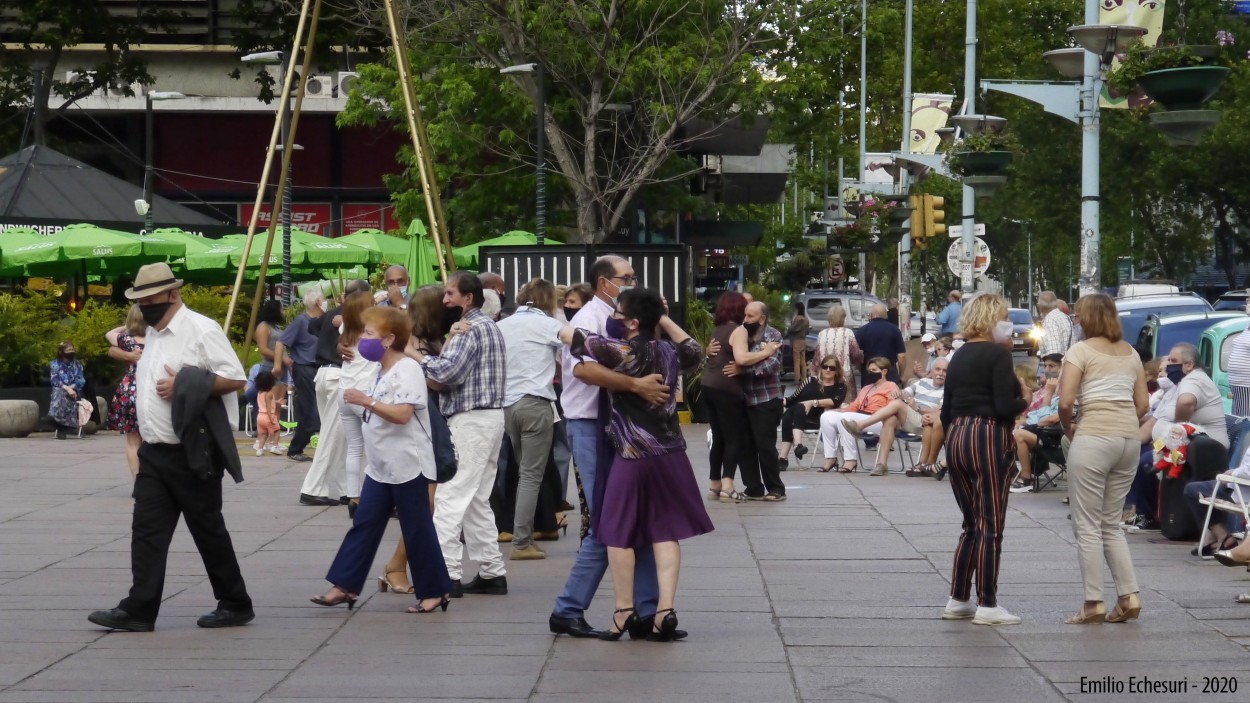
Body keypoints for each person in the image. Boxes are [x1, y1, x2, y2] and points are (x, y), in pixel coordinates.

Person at [89, 262, 253, 632]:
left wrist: (186, 382)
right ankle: (139, 608)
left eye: (151, 299)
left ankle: (235, 602)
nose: (145, 306)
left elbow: (236, 378)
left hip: (193, 450)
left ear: (173, 294)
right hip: (154, 450)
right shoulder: (154, 334)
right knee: (146, 530)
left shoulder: (201, 329)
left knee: (207, 528)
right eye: (141, 300)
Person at [556, 287, 712, 640]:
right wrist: (663, 316)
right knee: (664, 531)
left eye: (619, 314)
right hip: (671, 453)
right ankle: (664, 612)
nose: (614, 318)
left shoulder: (622, 352)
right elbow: (694, 348)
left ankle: (623, 610)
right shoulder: (673, 353)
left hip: (632, 454)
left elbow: (568, 334)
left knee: (615, 530)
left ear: (633, 323)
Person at [550, 255, 671, 640]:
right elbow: (583, 370)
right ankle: (570, 607)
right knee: (609, 521)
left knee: (639, 519)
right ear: (605, 282)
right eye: (627, 278)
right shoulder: (589, 318)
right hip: (592, 424)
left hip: (619, 427)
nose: (632, 282)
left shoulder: (614, 318)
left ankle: (646, 611)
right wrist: (635, 385)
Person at [311, 306, 453, 615]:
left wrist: (366, 401)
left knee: (417, 528)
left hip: (409, 465)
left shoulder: (407, 370)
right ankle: (344, 585)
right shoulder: (380, 370)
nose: (363, 339)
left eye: (369, 333)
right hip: (380, 466)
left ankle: (435, 591)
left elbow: (403, 414)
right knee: (364, 524)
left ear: (388, 339)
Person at [411, 271, 509, 597]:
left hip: (471, 420)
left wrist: (415, 355)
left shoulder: (470, 329)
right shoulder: (488, 326)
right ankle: (492, 571)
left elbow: (446, 373)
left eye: (450, 293)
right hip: (490, 419)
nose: (445, 300)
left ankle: (447, 574)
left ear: (468, 298)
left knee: (450, 497)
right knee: (477, 499)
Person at [1059, 293, 1149, 625]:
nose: (1078, 322)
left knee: (1086, 526)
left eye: (1079, 316)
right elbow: (1143, 405)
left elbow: (1066, 401)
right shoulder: (1131, 354)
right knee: (1111, 524)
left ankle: (1093, 603)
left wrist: (1070, 428)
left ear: (1089, 319)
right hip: (1128, 440)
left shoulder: (1080, 352)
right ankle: (1129, 596)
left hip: (1094, 437)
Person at [939, 293, 1026, 626]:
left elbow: (947, 409)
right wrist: (1025, 401)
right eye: (1004, 316)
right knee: (991, 524)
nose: (1009, 323)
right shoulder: (997, 355)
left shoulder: (959, 355)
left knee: (970, 525)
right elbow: (1005, 406)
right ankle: (987, 602)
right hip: (987, 435)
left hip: (957, 435)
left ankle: (958, 598)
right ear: (992, 319)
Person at [497, 278, 565, 560]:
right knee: (531, 476)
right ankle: (522, 541)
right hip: (536, 403)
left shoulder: (501, 325)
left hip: (507, 407)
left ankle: (521, 535)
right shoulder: (549, 325)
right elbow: (577, 344)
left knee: (523, 471)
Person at [296, 281, 373, 507]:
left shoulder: (338, 316)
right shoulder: (364, 319)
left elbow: (313, 325)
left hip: (323, 375)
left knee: (344, 439)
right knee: (333, 434)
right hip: (341, 378)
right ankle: (313, 487)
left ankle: (345, 489)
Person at [843, 358, 948, 476]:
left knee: (897, 404)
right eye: (938, 369)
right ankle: (882, 464)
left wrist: (917, 408)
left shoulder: (948, 388)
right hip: (910, 418)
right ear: (931, 371)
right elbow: (905, 392)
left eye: (945, 371)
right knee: (891, 419)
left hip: (926, 420)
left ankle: (861, 425)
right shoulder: (923, 382)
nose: (941, 373)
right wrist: (899, 393)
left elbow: (939, 411)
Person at [701, 291, 752, 502]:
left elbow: (714, 355)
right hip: (726, 387)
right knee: (733, 437)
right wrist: (766, 352)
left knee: (718, 436)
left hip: (708, 384)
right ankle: (728, 485)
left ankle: (715, 483)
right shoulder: (739, 330)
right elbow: (741, 358)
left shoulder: (718, 329)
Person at [734, 301, 786, 500]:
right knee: (744, 445)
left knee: (765, 446)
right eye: (745, 315)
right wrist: (759, 355)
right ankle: (753, 487)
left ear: (762, 318)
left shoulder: (774, 336)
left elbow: (770, 366)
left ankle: (776, 488)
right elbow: (729, 358)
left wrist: (743, 367)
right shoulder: (741, 335)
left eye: (751, 316)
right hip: (743, 399)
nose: (745, 320)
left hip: (766, 399)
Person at [336, 289, 379, 517]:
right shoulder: (373, 332)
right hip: (363, 393)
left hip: (344, 391)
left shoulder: (346, 329)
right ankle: (376, 496)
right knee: (376, 446)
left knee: (354, 447)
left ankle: (354, 497)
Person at [818, 357, 900, 474]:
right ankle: (830, 457)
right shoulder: (867, 388)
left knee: (845, 418)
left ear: (884, 371)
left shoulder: (891, 386)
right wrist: (836, 410)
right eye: (869, 370)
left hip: (877, 420)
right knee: (826, 416)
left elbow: (892, 408)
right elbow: (854, 407)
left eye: (874, 370)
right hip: (859, 416)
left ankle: (850, 460)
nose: (870, 373)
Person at [275, 289, 325, 462]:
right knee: (311, 412)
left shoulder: (319, 321)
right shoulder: (301, 321)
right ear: (318, 302)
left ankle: (298, 447)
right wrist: (284, 362)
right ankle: (296, 448)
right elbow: (281, 342)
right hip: (304, 369)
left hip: (316, 369)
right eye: (324, 300)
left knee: (314, 411)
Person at [777, 357, 848, 470]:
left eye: (832, 368)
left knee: (798, 408)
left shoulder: (840, 385)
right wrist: (776, 401)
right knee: (793, 411)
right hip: (799, 418)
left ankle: (784, 457)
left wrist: (813, 402)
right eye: (825, 367)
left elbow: (834, 402)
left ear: (837, 370)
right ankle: (797, 446)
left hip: (820, 419)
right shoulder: (809, 381)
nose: (828, 370)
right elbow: (792, 399)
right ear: (821, 368)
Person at [1011, 353, 1063, 491]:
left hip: (1054, 438)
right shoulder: (1048, 389)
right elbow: (1041, 414)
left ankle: (1026, 478)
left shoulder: (1065, 391)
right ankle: (1011, 472)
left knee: (1019, 434)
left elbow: (1049, 418)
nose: (1047, 369)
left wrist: (1050, 393)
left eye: (1052, 366)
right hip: (1042, 431)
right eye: (1045, 366)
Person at [106, 305, 146, 475]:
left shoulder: (127, 341)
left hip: (129, 390)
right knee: (151, 439)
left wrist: (127, 326)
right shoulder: (157, 340)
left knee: (132, 441)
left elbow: (109, 335)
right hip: (150, 390)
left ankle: (137, 481)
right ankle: (150, 479)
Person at [1165, 343, 1230, 449]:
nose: (1168, 365)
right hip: (1198, 448)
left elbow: (1186, 402)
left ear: (1189, 365)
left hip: (1207, 451)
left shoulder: (1194, 379)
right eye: (1169, 360)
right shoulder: (1183, 381)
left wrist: (1177, 430)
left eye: (1174, 361)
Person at [810, 305, 861, 396]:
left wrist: (814, 372)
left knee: (826, 401)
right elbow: (856, 354)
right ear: (843, 318)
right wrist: (858, 362)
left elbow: (817, 357)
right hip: (844, 375)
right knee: (846, 403)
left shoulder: (822, 333)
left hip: (826, 374)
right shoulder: (848, 332)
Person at [854, 304, 906, 386]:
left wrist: (862, 370)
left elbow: (857, 356)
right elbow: (901, 356)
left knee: (869, 397)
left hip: (869, 373)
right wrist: (902, 375)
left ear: (871, 315)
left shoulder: (861, 331)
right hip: (890, 373)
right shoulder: (895, 330)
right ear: (886, 316)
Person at [47, 340, 85, 439]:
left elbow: (81, 380)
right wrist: (67, 388)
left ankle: (56, 421)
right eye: (68, 350)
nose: (71, 351)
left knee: (63, 395)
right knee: (60, 392)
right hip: (61, 389)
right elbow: (54, 380)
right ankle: (61, 427)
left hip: (75, 390)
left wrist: (71, 388)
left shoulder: (77, 364)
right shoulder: (54, 364)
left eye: (72, 349)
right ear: (61, 352)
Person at [1036, 291, 1074, 359]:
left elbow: (1053, 351)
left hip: (1059, 366)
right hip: (1070, 361)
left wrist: (1050, 366)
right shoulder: (1065, 317)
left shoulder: (1050, 320)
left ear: (1041, 306)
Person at [254, 299, 285, 376]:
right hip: (269, 367)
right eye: (281, 309)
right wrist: (282, 358)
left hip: (281, 367)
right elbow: (263, 349)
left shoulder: (276, 327)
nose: (283, 312)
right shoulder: (263, 326)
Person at [785, 302, 810, 378]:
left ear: (797, 309)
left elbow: (792, 329)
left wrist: (788, 330)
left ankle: (797, 378)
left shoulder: (797, 319)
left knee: (796, 361)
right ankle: (804, 378)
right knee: (803, 361)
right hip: (803, 340)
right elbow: (807, 331)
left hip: (796, 340)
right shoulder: (806, 319)